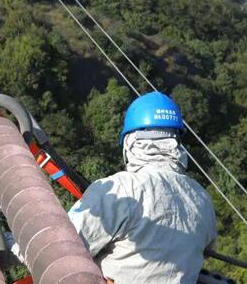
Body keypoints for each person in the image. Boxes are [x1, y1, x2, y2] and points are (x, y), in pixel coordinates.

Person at [67, 91, 217, 284]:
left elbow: (58, 246)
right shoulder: (202, 198)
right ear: (176, 142)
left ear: (129, 143)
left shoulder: (119, 189)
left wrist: (13, 245)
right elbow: (206, 250)